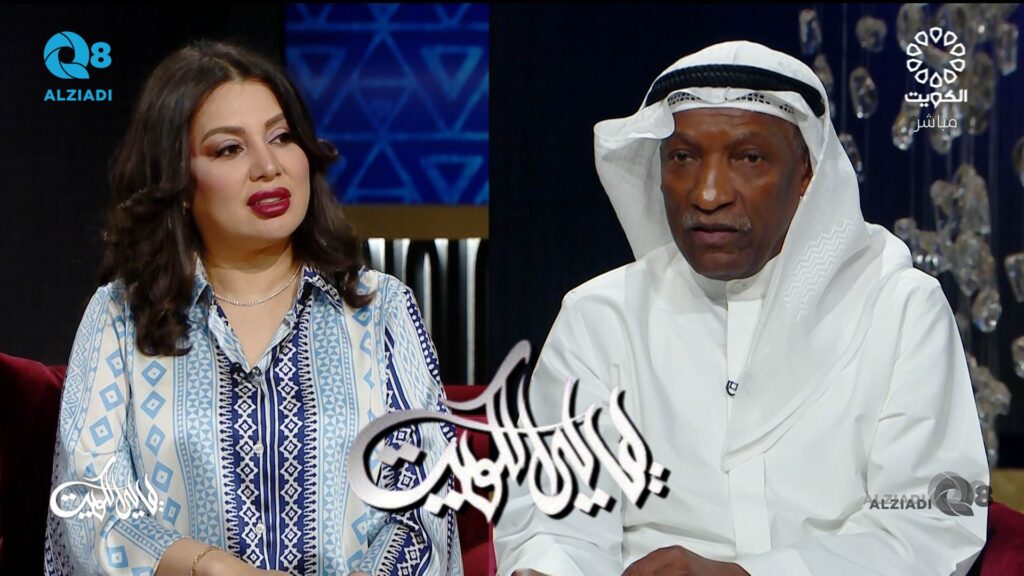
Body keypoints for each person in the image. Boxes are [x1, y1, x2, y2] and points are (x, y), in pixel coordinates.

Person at [494, 40, 989, 576]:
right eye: (683, 158)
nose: (708, 194)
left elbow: (935, 522)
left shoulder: (900, 309)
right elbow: (555, 522)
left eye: (748, 158)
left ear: (807, 175)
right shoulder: (600, 319)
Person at [43, 40, 462, 576]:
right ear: (178, 181)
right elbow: (90, 503)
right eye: (228, 149)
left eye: (282, 137)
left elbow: (424, 501)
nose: (268, 166)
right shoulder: (120, 316)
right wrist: (209, 567)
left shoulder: (382, 309)